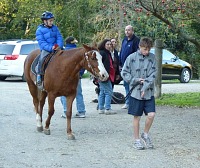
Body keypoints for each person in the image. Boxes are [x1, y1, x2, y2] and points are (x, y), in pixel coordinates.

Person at [121, 37, 157, 150]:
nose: (147, 51)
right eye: (145, 49)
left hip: (148, 92)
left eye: (149, 49)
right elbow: (124, 72)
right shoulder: (131, 58)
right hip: (135, 93)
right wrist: (135, 80)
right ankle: (136, 140)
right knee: (137, 117)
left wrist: (145, 86)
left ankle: (145, 135)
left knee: (151, 115)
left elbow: (154, 74)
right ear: (139, 47)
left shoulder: (152, 58)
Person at [60, 36, 86, 118]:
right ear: (73, 42)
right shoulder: (79, 52)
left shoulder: (63, 52)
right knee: (78, 94)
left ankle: (65, 111)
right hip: (76, 76)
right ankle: (81, 111)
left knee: (63, 94)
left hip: (65, 77)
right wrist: (80, 74)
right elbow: (83, 65)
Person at [36, 11, 63, 86]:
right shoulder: (39, 30)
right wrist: (51, 48)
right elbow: (42, 42)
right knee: (42, 59)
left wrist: (58, 46)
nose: (51, 22)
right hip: (46, 49)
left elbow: (59, 37)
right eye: (50, 21)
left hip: (57, 48)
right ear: (45, 21)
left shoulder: (55, 28)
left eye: (52, 20)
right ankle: (39, 75)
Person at [119, 25, 140, 109]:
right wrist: (120, 63)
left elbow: (137, 53)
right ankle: (128, 102)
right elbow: (121, 52)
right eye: (126, 30)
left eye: (128, 30)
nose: (127, 32)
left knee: (133, 84)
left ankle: (134, 102)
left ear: (132, 31)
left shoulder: (136, 40)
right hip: (124, 66)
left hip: (132, 67)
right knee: (126, 84)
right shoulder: (124, 40)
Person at [97, 39, 116, 115]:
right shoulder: (102, 53)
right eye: (107, 44)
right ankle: (107, 108)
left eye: (110, 44)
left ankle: (101, 108)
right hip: (104, 75)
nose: (109, 46)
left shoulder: (107, 53)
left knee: (102, 92)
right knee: (109, 91)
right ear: (104, 45)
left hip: (106, 75)